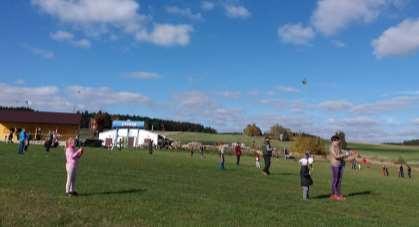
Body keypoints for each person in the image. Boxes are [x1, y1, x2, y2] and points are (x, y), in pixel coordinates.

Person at [328, 135, 356, 201]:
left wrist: (350, 152)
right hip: (335, 165)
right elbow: (336, 156)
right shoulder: (331, 148)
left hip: (340, 165)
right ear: (334, 141)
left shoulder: (337, 146)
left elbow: (341, 151)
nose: (338, 142)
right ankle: (335, 195)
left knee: (339, 180)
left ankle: (336, 194)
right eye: (337, 141)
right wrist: (346, 154)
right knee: (335, 180)